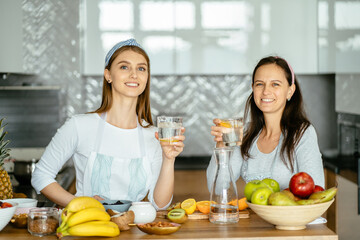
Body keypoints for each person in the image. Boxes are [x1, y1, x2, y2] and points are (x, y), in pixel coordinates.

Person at [32, 39, 185, 209]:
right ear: (108, 75)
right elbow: (41, 176)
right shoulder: (79, 126)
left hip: (131, 229)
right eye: (124, 67)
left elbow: (160, 204)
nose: (134, 74)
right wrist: (82, 204)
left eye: (141, 68)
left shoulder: (154, 135)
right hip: (87, 228)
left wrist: (168, 159)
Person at [207, 56, 324, 191]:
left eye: (275, 84)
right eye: (259, 84)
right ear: (253, 89)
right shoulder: (246, 134)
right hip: (256, 213)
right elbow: (217, 189)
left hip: (295, 213)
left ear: (290, 91)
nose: (266, 91)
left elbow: (315, 194)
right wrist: (222, 146)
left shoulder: (303, 133)